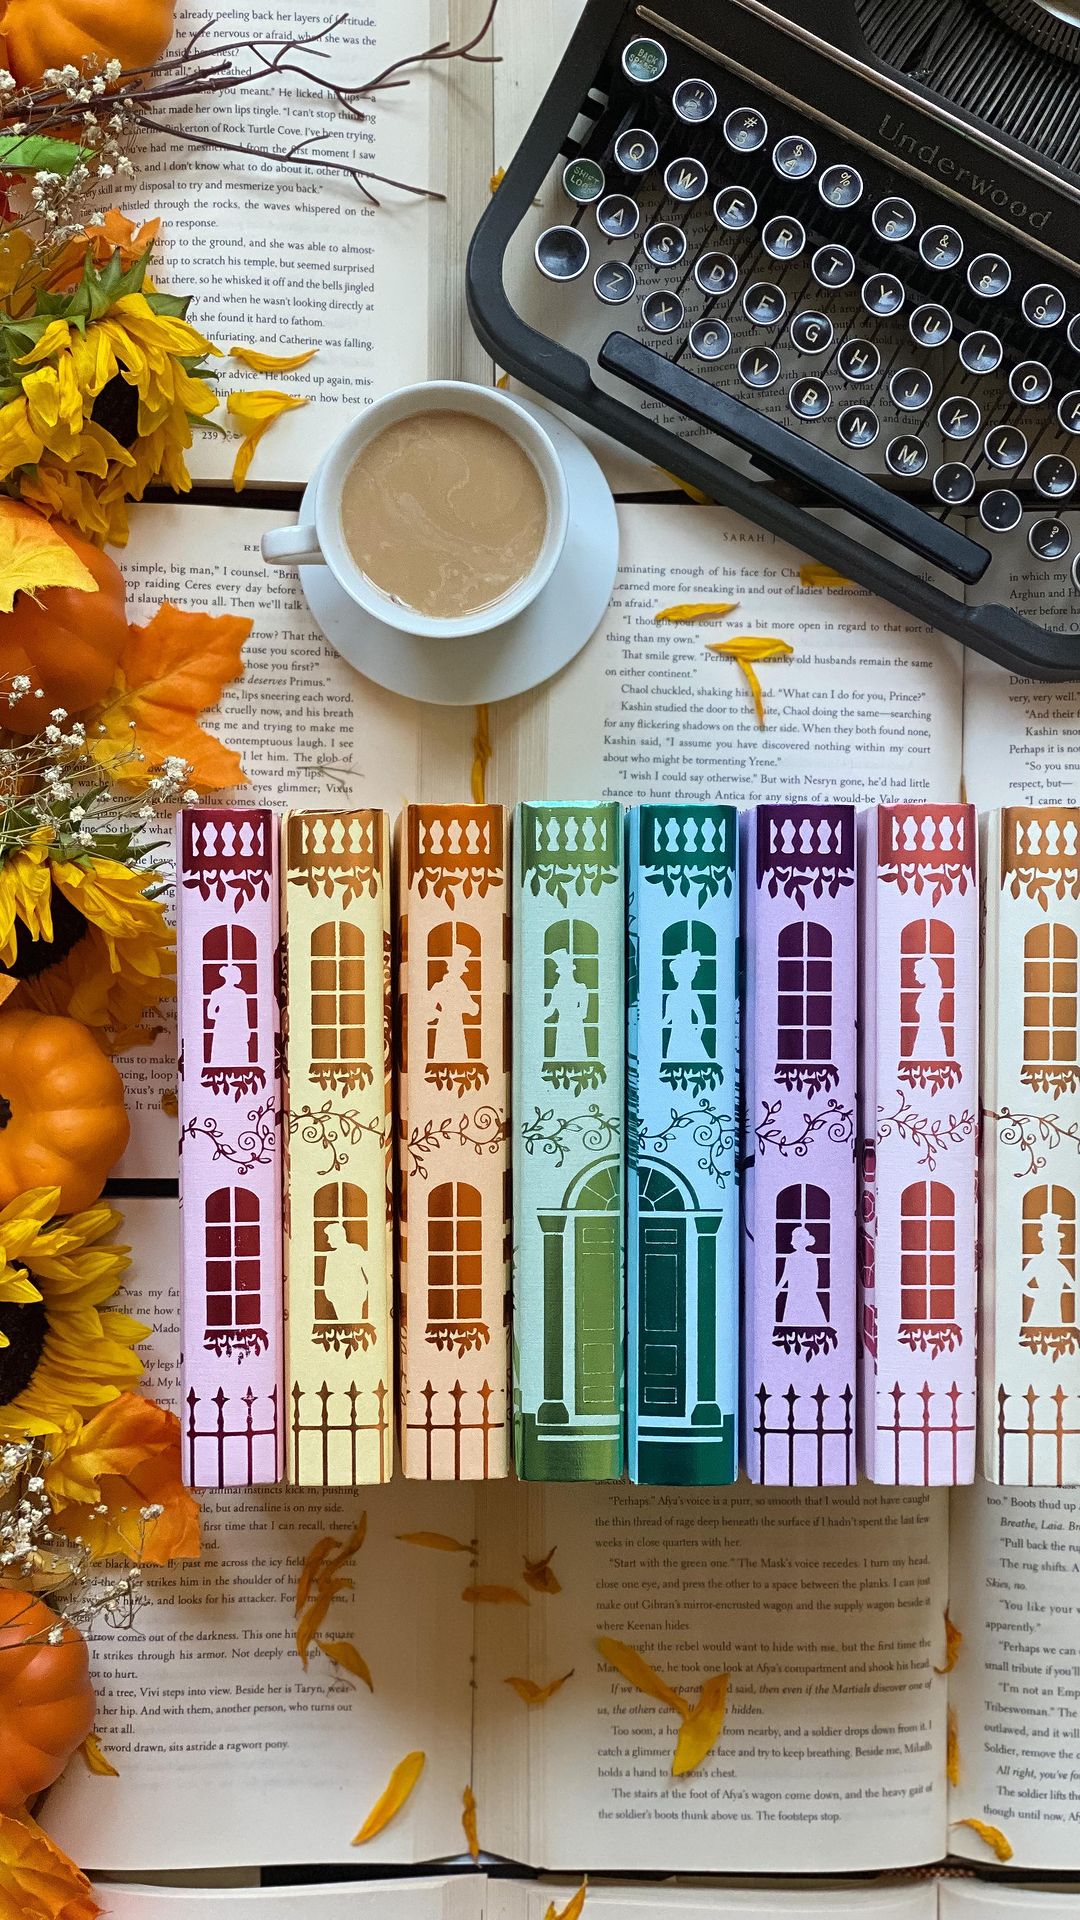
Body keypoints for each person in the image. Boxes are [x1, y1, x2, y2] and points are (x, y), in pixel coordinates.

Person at [1022, 1211, 1076, 1331]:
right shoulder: (1037, 1261)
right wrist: (1036, 1294)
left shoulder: (1059, 1266)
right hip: (1041, 1308)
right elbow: (1020, 1283)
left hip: (1055, 1310)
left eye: (1059, 1243)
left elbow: (1074, 1285)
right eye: (1057, 1243)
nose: (1060, 1246)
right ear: (1046, 1243)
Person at [427, 946, 479, 1063]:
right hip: (450, 1024)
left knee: (453, 1055)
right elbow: (427, 1011)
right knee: (450, 1054)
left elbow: (472, 1008)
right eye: (460, 967)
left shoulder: (456, 985)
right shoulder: (448, 986)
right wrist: (443, 1013)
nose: (462, 971)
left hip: (452, 1023)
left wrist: (441, 1014)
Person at [664, 946, 711, 1061]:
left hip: (689, 1034)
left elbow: (701, 1019)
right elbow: (667, 1018)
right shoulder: (671, 996)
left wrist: (696, 1036)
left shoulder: (692, 995)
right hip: (676, 1035)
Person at [777, 1224, 829, 1328]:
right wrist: (777, 1290)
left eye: (793, 1239)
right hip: (796, 1293)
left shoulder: (809, 1257)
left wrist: (810, 1289)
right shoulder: (791, 1257)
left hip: (804, 1293)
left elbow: (814, 1276)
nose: (792, 1242)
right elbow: (786, 1276)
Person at [546, 951, 589, 1060]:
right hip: (563, 1025)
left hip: (575, 1026)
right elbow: (550, 1009)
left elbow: (583, 1013)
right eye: (561, 973)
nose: (562, 976)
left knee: (577, 1055)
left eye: (565, 972)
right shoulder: (557, 989)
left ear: (571, 972)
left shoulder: (581, 988)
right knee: (561, 1054)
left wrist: (571, 1014)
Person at [206, 961, 250, 1067]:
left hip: (234, 1029)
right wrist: (225, 1017)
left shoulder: (240, 993)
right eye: (239, 975)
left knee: (237, 1058)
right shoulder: (218, 993)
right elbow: (210, 1013)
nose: (240, 977)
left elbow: (244, 1015)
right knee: (223, 1056)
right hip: (225, 1029)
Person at [908, 952, 948, 1060]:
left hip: (929, 1032)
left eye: (917, 973)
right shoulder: (929, 991)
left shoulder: (932, 992)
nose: (916, 977)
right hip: (925, 1031)